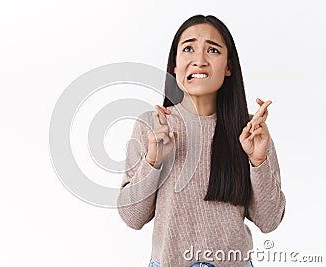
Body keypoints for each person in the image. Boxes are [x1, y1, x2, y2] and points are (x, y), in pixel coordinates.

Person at [117, 14, 286, 267]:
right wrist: (153, 161)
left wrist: (258, 160)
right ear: (175, 65)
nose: (199, 60)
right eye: (188, 49)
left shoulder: (250, 131)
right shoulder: (151, 126)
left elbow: (269, 221)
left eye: (212, 50)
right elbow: (132, 218)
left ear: (228, 66)